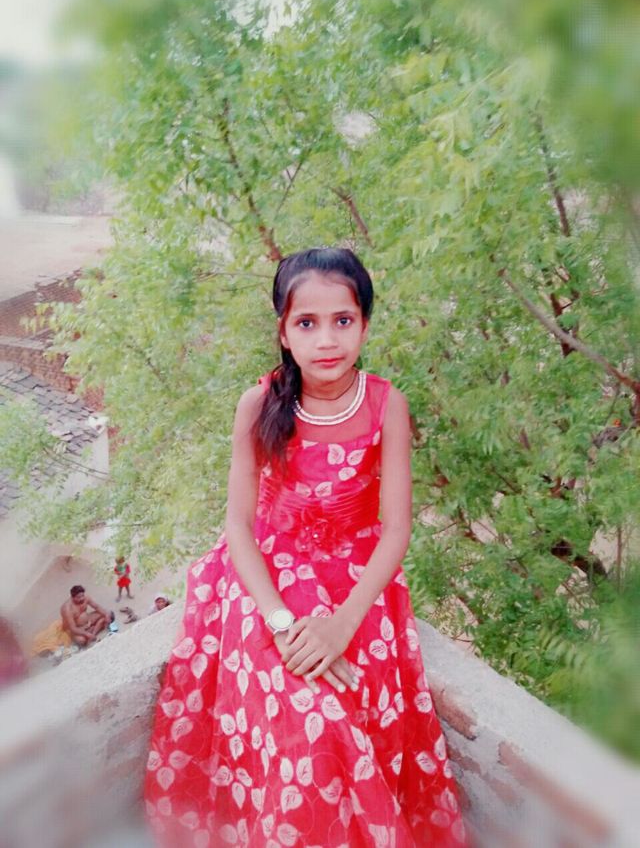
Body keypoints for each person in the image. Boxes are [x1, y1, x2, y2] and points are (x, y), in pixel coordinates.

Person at [144, 248, 467, 847]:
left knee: (351, 699)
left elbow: (396, 528)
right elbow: (238, 524)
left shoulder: (386, 405)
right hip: (264, 577)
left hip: (356, 583)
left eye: (342, 320)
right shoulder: (259, 403)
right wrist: (281, 623)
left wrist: (342, 625)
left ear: (364, 324)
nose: (326, 340)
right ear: (283, 331)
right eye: (307, 322)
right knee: (308, 718)